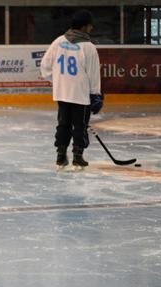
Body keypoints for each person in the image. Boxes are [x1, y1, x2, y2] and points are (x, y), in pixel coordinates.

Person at [40, 10, 103, 170]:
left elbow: (45, 66)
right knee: (80, 126)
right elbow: (93, 74)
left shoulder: (58, 41)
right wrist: (95, 95)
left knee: (63, 125)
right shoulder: (88, 47)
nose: (91, 28)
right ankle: (77, 157)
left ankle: (61, 156)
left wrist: (58, 81)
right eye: (90, 25)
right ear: (83, 27)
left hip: (62, 93)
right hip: (81, 94)